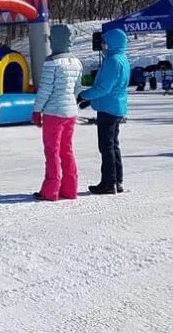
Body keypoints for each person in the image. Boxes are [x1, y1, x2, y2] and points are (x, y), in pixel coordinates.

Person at [32, 25, 84, 201]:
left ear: (56, 40)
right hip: (70, 112)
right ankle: (70, 188)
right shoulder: (77, 62)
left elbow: (45, 90)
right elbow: (77, 88)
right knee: (66, 150)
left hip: (53, 112)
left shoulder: (52, 62)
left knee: (52, 151)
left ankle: (51, 189)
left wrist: (37, 110)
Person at [79, 28, 130, 195]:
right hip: (116, 106)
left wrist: (84, 95)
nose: (103, 45)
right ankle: (117, 181)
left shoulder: (113, 61)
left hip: (108, 108)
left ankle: (109, 183)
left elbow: (104, 88)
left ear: (112, 42)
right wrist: (91, 100)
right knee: (113, 145)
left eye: (105, 42)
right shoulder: (121, 59)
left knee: (106, 146)